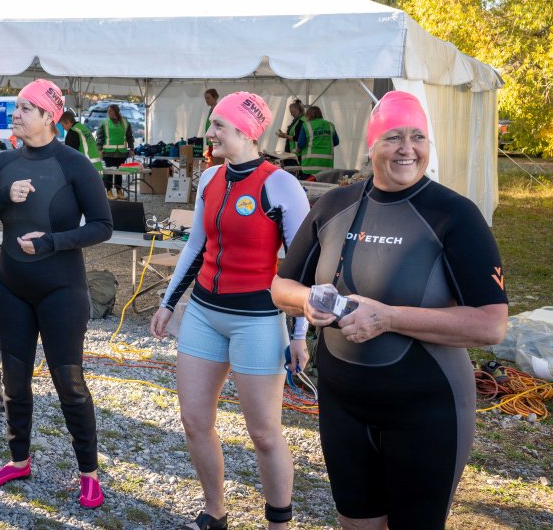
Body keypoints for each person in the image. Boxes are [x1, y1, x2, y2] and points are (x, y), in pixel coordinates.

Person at [271, 91, 508, 530]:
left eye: (418, 137)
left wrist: (389, 317)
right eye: (393, 136)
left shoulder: (454, 215)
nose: (407, 148)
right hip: (343, 407)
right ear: (371, 144)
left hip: (427, 408)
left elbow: (491, 323)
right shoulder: (334, 206)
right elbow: (280, 285)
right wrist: (307, 301)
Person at [149, 91, 310, 530]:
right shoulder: (210, 178)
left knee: (264, 433)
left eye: (219, 125)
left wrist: (299, 338)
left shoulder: (280, 184)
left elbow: (300, 270)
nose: (210, 132)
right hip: (203, 313)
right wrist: (168, 304)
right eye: (212, 123)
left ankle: (279, 523)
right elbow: (196, 247)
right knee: (195, 421)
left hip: (257, 319)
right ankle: (214, 510)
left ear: (246, 131)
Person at [0, 79, 112, 508]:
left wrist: (51, 242)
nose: (17, 113)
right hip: (12, 286)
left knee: (70, 383)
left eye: (27, 107)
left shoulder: (74, 163)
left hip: (61, 287)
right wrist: (1, 196)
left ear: (49, 116)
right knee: (13, 380)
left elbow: (101, 225)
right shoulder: (4, 162)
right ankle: (18, 459)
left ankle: (88, 473)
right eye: (17, 106)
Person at [96, 103, 135, 199]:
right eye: (108, 111)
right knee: (109, 173)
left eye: (112, 111)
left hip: (121, 153)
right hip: (108, 152)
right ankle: (108, 191)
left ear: (117, 112)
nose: (110, 113)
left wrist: (131, 149)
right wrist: (99, 149)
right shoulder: (104, 122)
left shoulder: (125, 122)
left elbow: (130, 137)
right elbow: (100, 137)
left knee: (119, 173)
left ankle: (119, 191)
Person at [296, 105, 339, 177]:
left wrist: (298, 150)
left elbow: (301, 143)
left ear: (308, 115)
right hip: (327, 164)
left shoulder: (307, 125)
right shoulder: (330, 125)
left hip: (310, 165)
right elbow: (336, 142)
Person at [275, 98, 305, 164]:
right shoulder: (297, 120)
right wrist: (284, 134)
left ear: (297, 111)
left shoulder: (301, 121)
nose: (291, 114)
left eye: (292, 112)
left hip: (297, 155)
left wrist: (285, 136)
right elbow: (294, 134)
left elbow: (298, 138)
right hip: (293, 154)